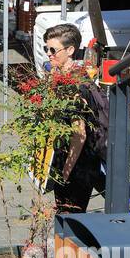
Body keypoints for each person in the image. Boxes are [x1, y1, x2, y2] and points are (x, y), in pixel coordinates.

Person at [43, 24, 108, 213]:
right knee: (66, 218)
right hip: (67, 157)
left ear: (70, 50)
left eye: (53, 50)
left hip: (79, 163)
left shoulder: (75, 85)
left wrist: (65, 172)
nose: (48, 54)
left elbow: (79, 134)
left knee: (70, 219)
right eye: (46, 48)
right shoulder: (59, 76)